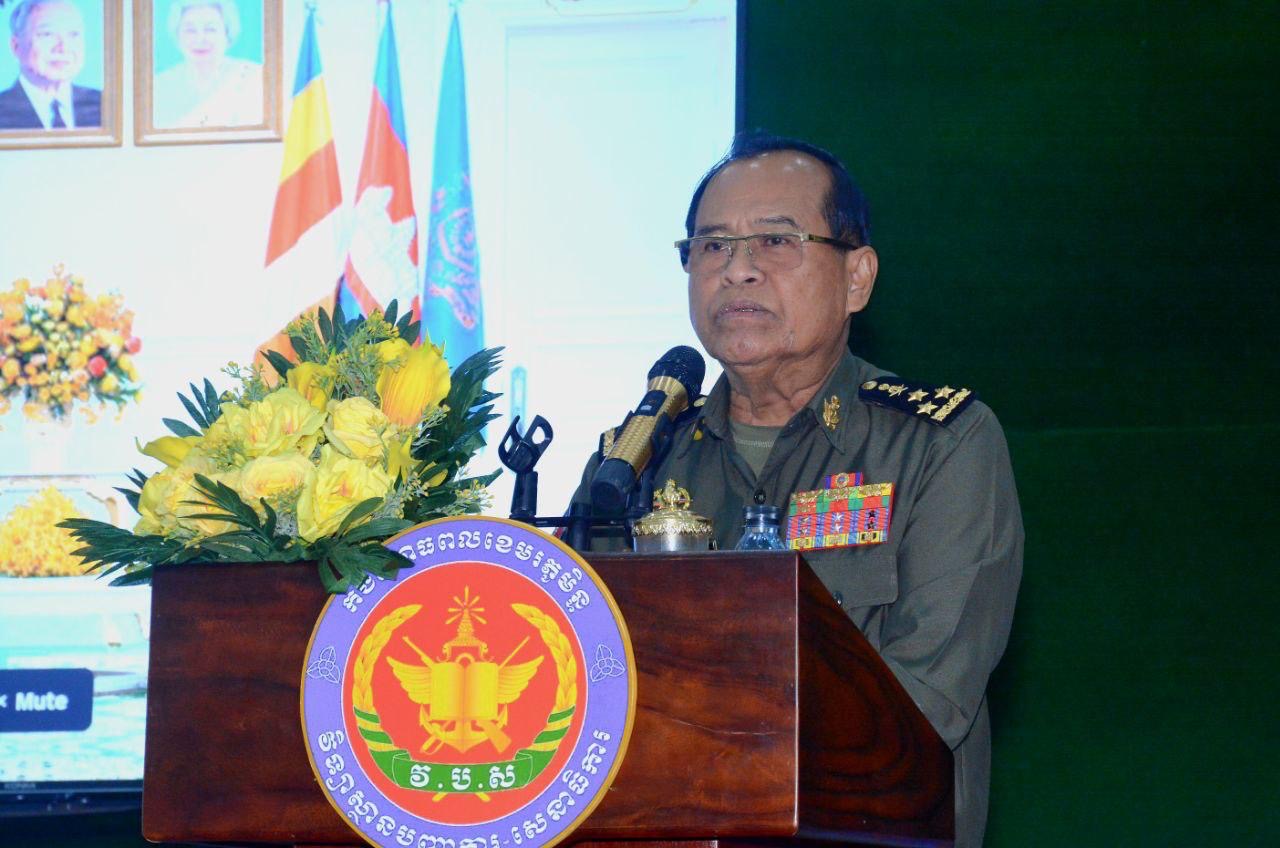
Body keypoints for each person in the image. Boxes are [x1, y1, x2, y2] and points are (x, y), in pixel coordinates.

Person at [571, 133, 1023, 846]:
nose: (738, 270)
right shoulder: (633, 466)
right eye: (712, 246)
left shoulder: (938, 445)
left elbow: (925, 705)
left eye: (776, 242)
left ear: (857, 278)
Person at [152, 0, 262, 129]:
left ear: (227, 33)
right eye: (190, 30)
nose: (200, 39)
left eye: (210, 29)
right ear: (177, 35)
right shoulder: (159, 86)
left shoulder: (254, 77)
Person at [0, 0, 101, 130]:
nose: (63, 48)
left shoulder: (105, 105)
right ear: (16, 46)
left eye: (73, 34)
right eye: (47, 34)